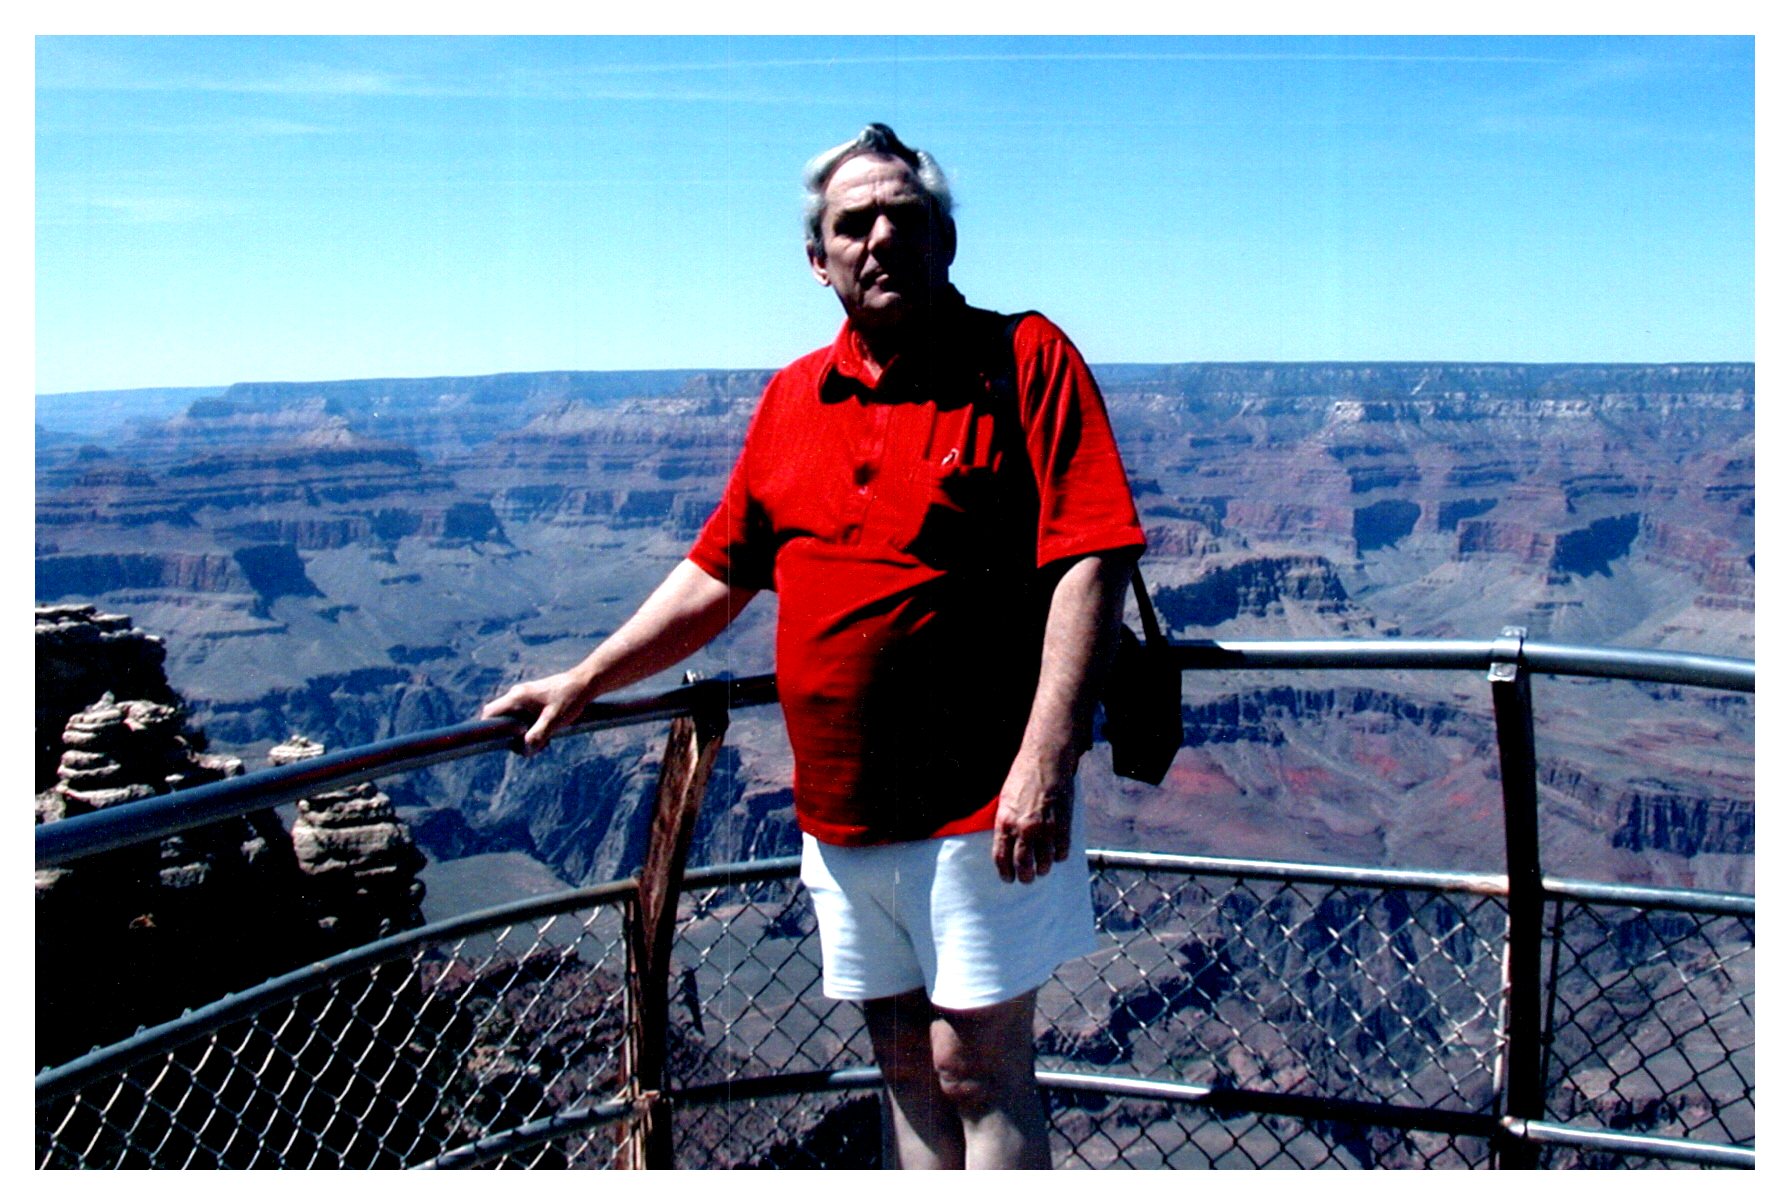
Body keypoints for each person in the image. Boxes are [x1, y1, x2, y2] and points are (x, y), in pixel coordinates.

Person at [482, 123, 1144, 1169]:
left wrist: (1045, 758)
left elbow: (1090, 556)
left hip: (982, 803)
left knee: (977, 1068)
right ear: (817, 259)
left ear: (945, 240)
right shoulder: (793, 397)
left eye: (905, 217)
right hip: (839, 813)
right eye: (854, 223)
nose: (881, 237)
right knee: (906, 1067)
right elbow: (717, 572)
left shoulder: (1023, 359)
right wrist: (587, 679)